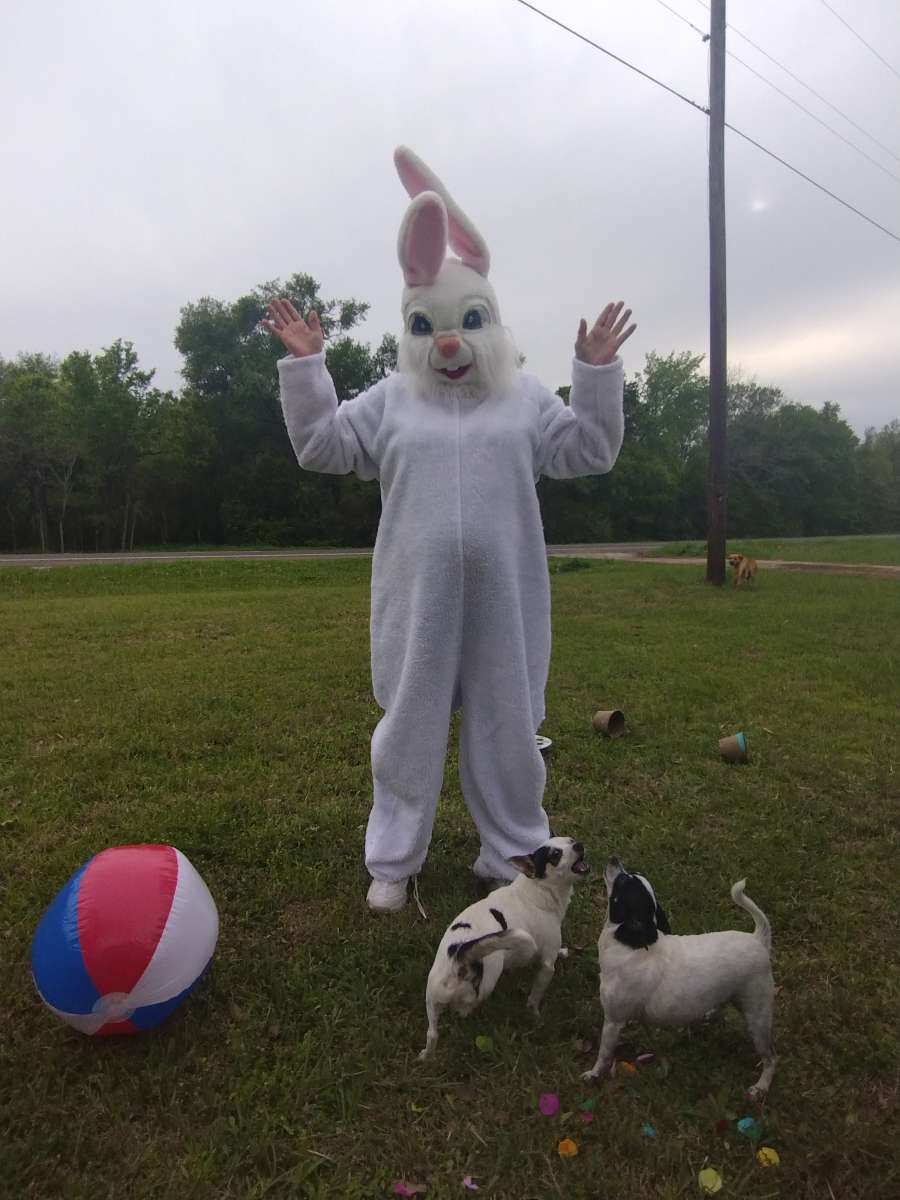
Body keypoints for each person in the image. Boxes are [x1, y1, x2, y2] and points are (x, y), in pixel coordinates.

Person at [264, 147, 635, 912]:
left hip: (506, 602)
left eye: (467, 321)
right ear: (410, 328)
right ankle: (393, 861)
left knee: (507, 730)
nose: (450, 343)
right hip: (419, 601)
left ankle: (510, 852)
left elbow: (590, 452)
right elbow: (322, 447)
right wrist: (308, 368)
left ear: (490, 319)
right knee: (408, 729)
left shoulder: (524, 399)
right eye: (428, 326)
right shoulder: (394, 400)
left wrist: (593, 376)